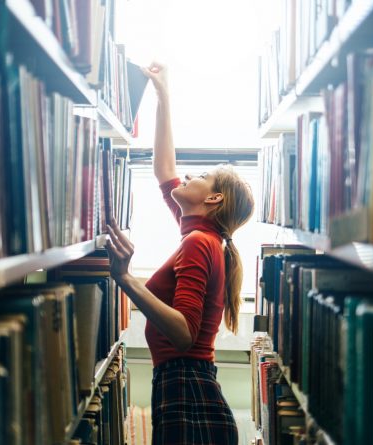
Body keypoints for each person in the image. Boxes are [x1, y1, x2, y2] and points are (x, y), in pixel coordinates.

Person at [105, 61, 254, 445]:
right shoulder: (200, 231)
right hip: (185, 383)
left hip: (186, 386)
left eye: (199, 177)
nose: (187, 177)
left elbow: (185, 334)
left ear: (213, 198)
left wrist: (126, 278)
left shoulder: (198, 242)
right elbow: (163, 170)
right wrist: (162, 95)